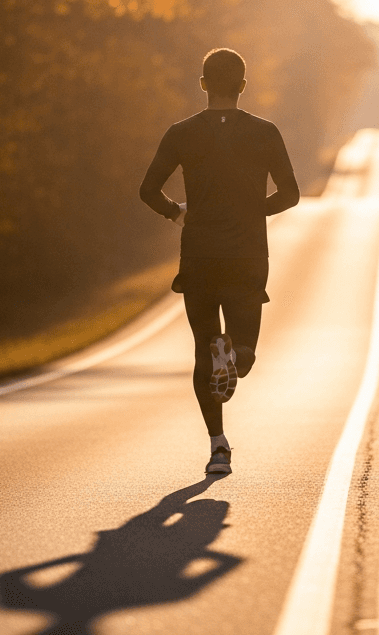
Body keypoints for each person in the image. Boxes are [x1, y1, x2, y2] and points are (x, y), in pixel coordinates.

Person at [139, 48, 300, 475]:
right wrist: (251, 210)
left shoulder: (181, 133)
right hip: (247, 256)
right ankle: (235, 353)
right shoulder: (265, 132)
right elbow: (290, 194)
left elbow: (148, 189)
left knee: (201, 348)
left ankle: (218, 447)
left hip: (199, 257)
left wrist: (178, 212)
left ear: (203, 84)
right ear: (243, 86)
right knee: (244, 354)